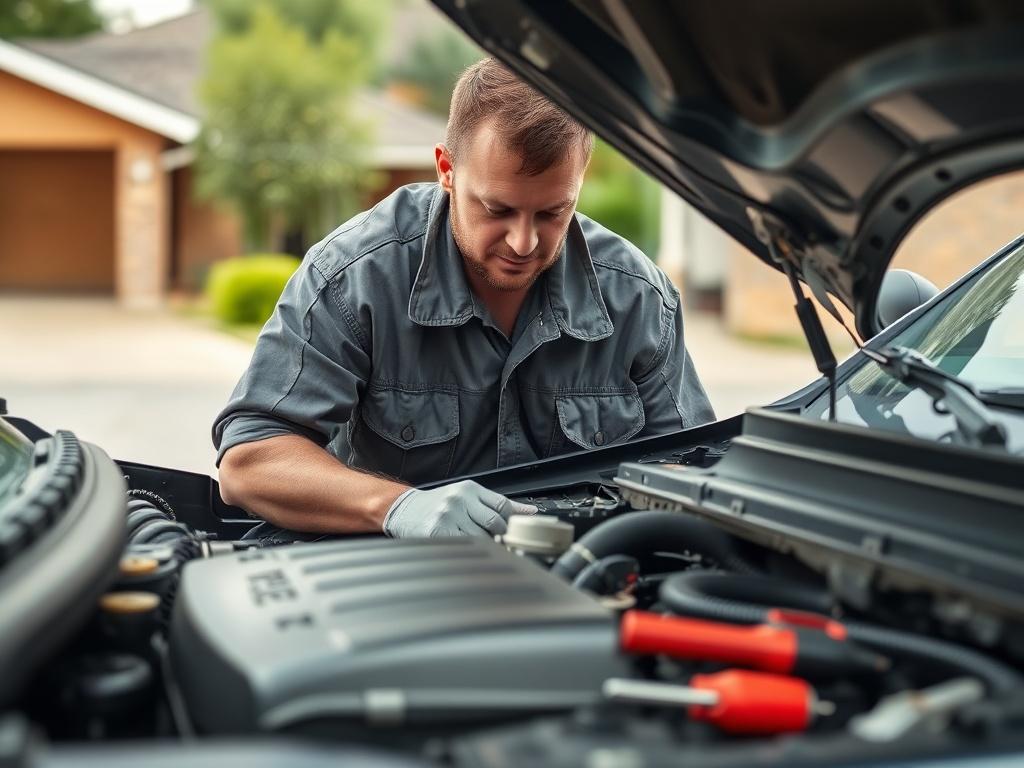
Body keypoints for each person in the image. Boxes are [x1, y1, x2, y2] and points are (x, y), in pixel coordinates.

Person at [213, 58, 714, 540]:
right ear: (446, 169)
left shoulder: (639, 299)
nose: (524, 242)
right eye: (498, 209)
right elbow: (250, 460)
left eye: (552, 213)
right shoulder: (355, 278)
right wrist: (395, 506)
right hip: (398, 581)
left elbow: (693, 471)